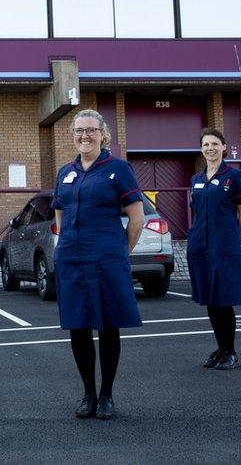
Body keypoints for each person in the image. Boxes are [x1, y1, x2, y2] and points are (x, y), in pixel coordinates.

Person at [51, 109, 145, 420]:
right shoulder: (65, 172)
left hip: (106, 258)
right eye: (79, 131)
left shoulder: (118, 169)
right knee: (77, 326)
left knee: (107, 325)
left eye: (91, 130)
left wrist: (120, 252)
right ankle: (88, 393)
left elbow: (136, 218)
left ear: (103, 135)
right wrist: (64, 245)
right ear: (72, 135)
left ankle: (106, 395)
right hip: (72, 258)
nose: (85, 136)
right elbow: (60, 215)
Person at [186, 128, 241, 370]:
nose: (210, 148)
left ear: (224, 147)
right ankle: (220, 348)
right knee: (211, 300)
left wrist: (237, 239)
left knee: (223, 300)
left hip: (224, 248)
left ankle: (230, 351)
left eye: (214, 144)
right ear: (201, 149)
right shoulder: (197, 179)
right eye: (205, 144)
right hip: (200, 248)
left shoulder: (233, 177)